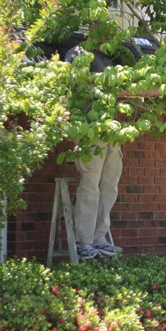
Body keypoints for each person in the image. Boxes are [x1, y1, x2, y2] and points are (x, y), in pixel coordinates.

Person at [65, 45, 123, 259]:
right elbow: (72, 84)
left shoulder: (112, 55)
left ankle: (99, 237)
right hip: (89, 128)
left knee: (110, 184)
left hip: (111, 129)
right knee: (90, 184)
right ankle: (84, 239)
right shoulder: (78, 53)